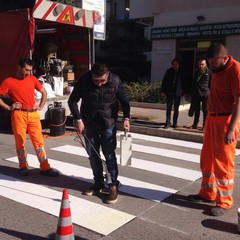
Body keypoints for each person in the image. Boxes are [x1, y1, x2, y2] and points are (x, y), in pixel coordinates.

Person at [187, 43, 240, 216]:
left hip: (226, 120)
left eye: (214, 63)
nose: (211, 66)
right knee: (207, 158)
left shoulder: (236, 70)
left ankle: (225, 201)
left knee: (223, 162)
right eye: (209, 63)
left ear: (225, 58)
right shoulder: (217, 70)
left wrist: (231, 128)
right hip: (212, 117)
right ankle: (207, 193)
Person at [68, 63, 130, 204]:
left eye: (102, 80)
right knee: (93, 154)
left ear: (107, 75)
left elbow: (124, 100)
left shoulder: (115, 80)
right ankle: (98, 182)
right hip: (89, 123)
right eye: (96, 80)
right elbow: (72, 101)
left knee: (109, 154)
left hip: (108, 122)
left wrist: (126, 118)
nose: (99, 84)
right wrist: (78, 119)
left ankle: (113, 185)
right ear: (91, 75)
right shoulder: (83, 81)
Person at [0, 57, 59, 177]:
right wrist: (9, 107)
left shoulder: (32, 79)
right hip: (19, 114)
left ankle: (45, 167)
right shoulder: (8, 81)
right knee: (20, 141)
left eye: (30, 70)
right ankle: (23, 166)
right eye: (26, 70)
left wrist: (41, 105)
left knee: (39, 142)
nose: (28, 73)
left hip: (33, 114)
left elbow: (44, 92)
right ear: (19, 67)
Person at [160, 58, 186, 128]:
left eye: (176, 64)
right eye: (174, 64)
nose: (175, 65)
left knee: (176, 108)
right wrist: (162, 91)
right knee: (168, 108)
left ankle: (175, 123)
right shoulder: (169, 71)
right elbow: (164, 81)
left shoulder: (182, 72)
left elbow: (185, 83)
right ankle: (167, 122)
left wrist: (184, 92)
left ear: (179, 65)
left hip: (178, 93)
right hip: (169, 92)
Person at [189, 57, 211, 129]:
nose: (200, 66)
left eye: (202, 64)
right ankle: (195, 123)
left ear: (206, 64)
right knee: (196, 109)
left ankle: (205, 125)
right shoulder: (196, 71)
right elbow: (193, 82)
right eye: (199, 64)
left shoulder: (209, 72)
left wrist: (210, 92)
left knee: (205, 110)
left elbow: (211, 83)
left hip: (205, 93)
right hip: (196, 93)